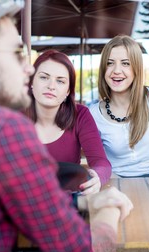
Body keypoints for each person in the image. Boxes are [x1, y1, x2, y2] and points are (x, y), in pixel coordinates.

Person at [0, 3, 132, 252]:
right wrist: (109, 211)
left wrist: (83, 197)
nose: (27, 69)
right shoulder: (3, 128)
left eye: (60, 81)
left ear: (68, 90)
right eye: (16, 55)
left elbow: (23, 200)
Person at [90, 35, 149, 178]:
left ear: (136, 68)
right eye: (110, 63)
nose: (116, 70)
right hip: (115, 184)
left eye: (125, 63)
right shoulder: (93, 113)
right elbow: (97, 161)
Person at [25, 49, 111, 195]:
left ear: (67, 91)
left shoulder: (80, 115)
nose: (51, 86)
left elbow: (101, 162)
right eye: (44, 77)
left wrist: (97, 177)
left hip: (68, 202)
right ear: (32, 82)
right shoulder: (14, 117)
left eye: (60, 81)